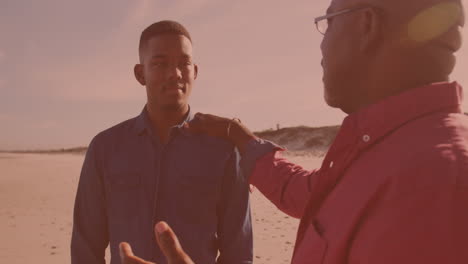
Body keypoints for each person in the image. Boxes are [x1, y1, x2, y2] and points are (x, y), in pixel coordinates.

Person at [120, 0, 468, 263]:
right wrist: (240, 136)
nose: (320, 46)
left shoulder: (436, 183)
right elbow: (306, 193)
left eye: (328, 23)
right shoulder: (381, 146)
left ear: (366, 25)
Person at [71, 20, 253, 264]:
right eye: (160, 63)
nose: (174, 73)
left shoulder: (225, 150)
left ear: (195, 71)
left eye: (183, 63)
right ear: (140, 73)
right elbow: (86, 248)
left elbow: (238, 252)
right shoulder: (105, 148)